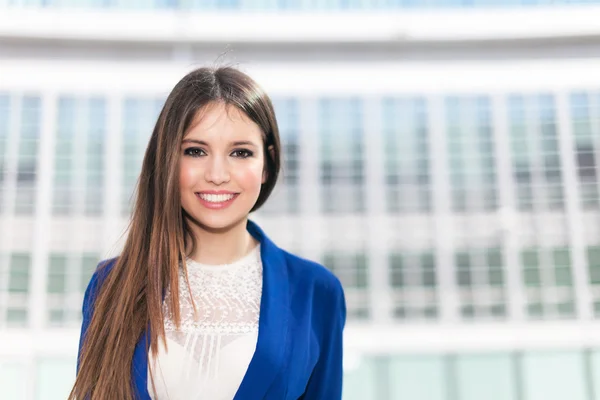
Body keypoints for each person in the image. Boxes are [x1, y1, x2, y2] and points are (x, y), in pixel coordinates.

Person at [68, 66, 346, 400]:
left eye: (240, 152)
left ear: (267, 164)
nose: (217, 174)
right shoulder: (110, 285)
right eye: (195, 151)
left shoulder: (316, 291)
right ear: (168, 160)